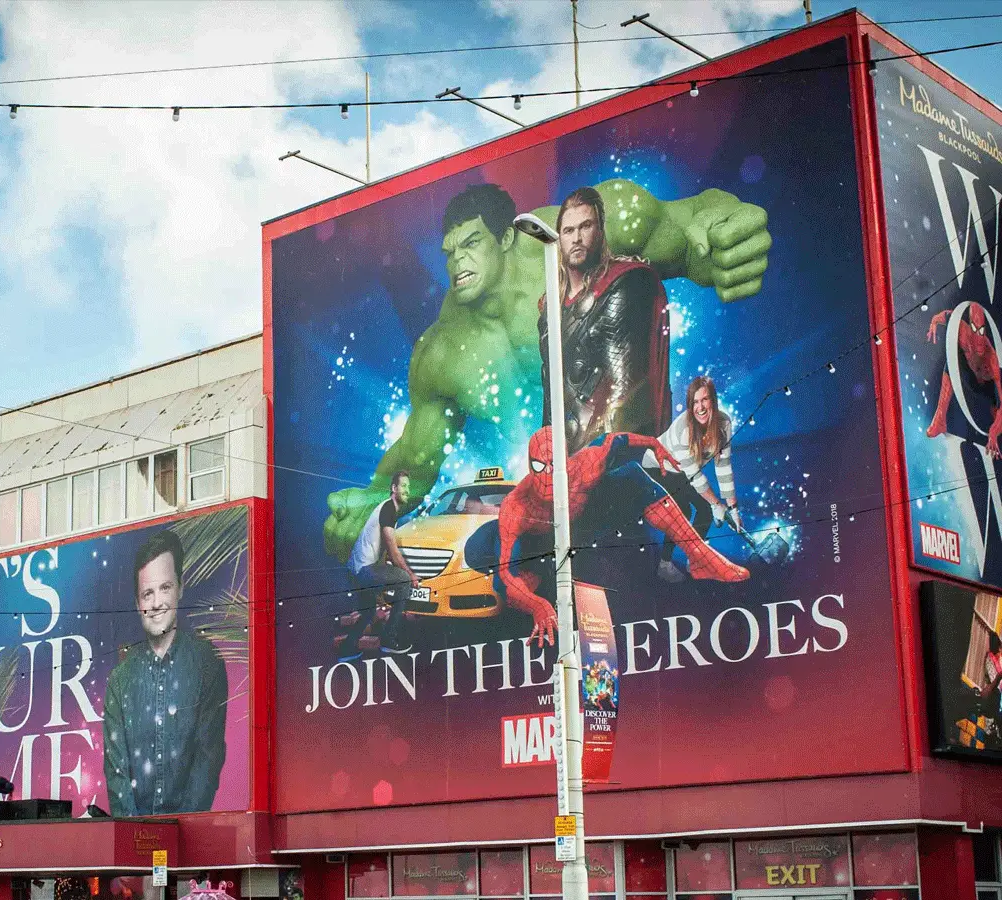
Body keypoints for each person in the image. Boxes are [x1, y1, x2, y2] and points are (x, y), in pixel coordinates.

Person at [324, 180, 772, 561]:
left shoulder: (569, 232)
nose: (458, 261)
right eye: (449, 252)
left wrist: (721, 235)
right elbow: (418, 455)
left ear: (505, 238)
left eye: (472, 244)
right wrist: (377, 496)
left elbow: (690, 220)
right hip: (560, 498)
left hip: (636, 451)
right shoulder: (443, 352)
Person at [496, 427, 749, 645]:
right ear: (530, 465)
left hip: (586, 524)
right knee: (515, 589)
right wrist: (537, 605)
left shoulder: (586, 465)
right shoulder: (517, 506)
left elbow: (615, 439)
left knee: (632, 474)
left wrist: (653, 443)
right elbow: (506, 572)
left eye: (556, 465)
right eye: (540, 467)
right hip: (543, 548)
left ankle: (699, 556)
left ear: (567, 460)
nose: (549, 475)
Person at [102, 530, 228, 816]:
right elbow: (116, 769)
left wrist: (179, 830)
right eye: (148, 593)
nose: (157, 602)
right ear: (138, 603)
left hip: (191, 839)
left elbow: (208, 759)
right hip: (134, 842)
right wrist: (136, 837)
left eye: (165, 588)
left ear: (180, 588)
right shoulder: (120, 680)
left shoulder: (207, 663)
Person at [538, 186, 671, 448]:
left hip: (606, 453)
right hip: (563, 456)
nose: (576, 237)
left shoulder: (621, 284)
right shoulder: (549, 306)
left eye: (585, 226)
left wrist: (608, 454)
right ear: (560, 239)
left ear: (599, 231)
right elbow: (550, 391)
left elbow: (627, 390)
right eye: (568, 230)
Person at [646, 375, 742, 582]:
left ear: (713, 400)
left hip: (680, 472)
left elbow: (723, 466)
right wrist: (717, 504)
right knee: (683, 512)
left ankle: (696, 560)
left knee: (704, 512)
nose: (700, 407)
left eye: (704, 400)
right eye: (695, 402)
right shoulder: (684, 429)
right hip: (658, 467)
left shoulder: (724, 424)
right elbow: (695, 477)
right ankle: (664, 565)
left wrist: (733, 508)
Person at [334, 471, 418, 659]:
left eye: (409, 487)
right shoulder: (389, 509)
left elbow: (383, 550)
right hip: (365, 570)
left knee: (368, 611)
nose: (407, 491)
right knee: (404, 581)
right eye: (404, 486)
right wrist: (410, 574)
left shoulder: (385, 509)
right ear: (394, 489)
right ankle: (389, 639)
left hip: (356, 570)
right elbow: (392, 548)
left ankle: (347, 649)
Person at [926, 303, 1002, 457]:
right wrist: (933, 323)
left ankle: (995, 435)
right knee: (951, 360)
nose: (979, 336)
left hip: (986, 388)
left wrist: (994, 431)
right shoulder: (960, 328)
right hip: (969, 376)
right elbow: (942, 316)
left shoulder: (991, 358)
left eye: (982, 330)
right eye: (975, 329)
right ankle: (940, 419)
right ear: (968, 324)